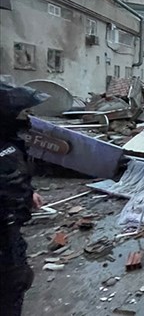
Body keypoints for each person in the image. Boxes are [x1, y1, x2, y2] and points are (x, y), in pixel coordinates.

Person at [1, 82, 49, 316]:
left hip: (11, 231)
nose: (28, 117)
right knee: (12, 285)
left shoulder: (10, 144)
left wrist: (28, 193)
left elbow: (14, 178)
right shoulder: (5, 149)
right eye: (23, 111)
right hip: (4, 236)